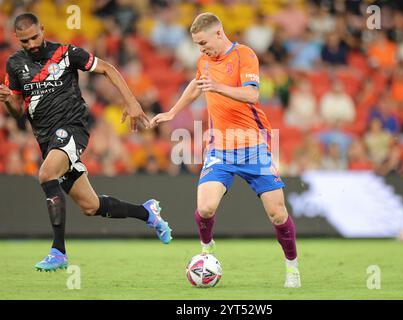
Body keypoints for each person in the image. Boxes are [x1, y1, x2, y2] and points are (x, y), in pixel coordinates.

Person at [0, 13, 172, 272]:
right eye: (25, 41)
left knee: (47, 174)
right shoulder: (14, 65)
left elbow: (107, 68)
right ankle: (148, 213)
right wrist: (6, 100)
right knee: (91, 206)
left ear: (43, 29)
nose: (32, 44)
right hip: (46, 139)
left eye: (35, 37)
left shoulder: (66, 54)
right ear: (17, 38)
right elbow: (17, 111)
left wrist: (132, 102)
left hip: (72, 128)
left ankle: (58, 252)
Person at [150, 13, 300, 288]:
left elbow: (252, 94)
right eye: (197, 44)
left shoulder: (244, 55)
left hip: (254, 146)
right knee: (205, 208)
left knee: (278, 214)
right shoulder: (204, 61)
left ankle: (292, 267)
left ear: (219, 33)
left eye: (203, 42)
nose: (201, 49)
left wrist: (217, 87)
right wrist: (173, 112)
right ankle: (206, 249)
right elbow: (197, 85)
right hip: (220, 147)